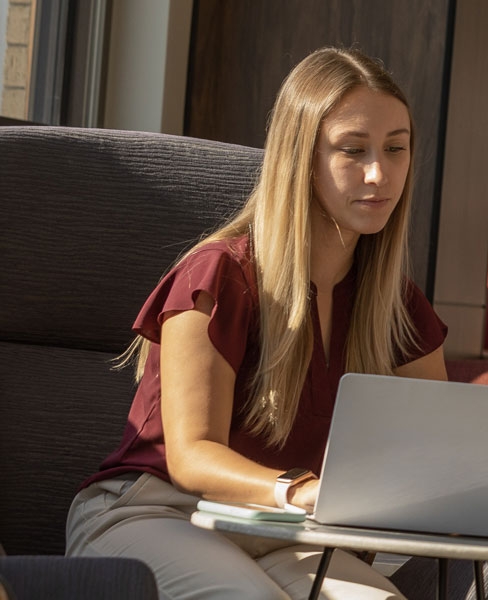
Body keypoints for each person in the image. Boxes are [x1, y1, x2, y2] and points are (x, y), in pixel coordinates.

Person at [65, 47, 449, 599]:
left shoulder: (397, 306)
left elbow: (440, 453)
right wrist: (301, 492)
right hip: (157, 512)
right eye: (352, 150)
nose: (379, 173)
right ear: (301, 159)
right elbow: (192, 456)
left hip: (289, 535)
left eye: (396, 149)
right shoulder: (218, 275)